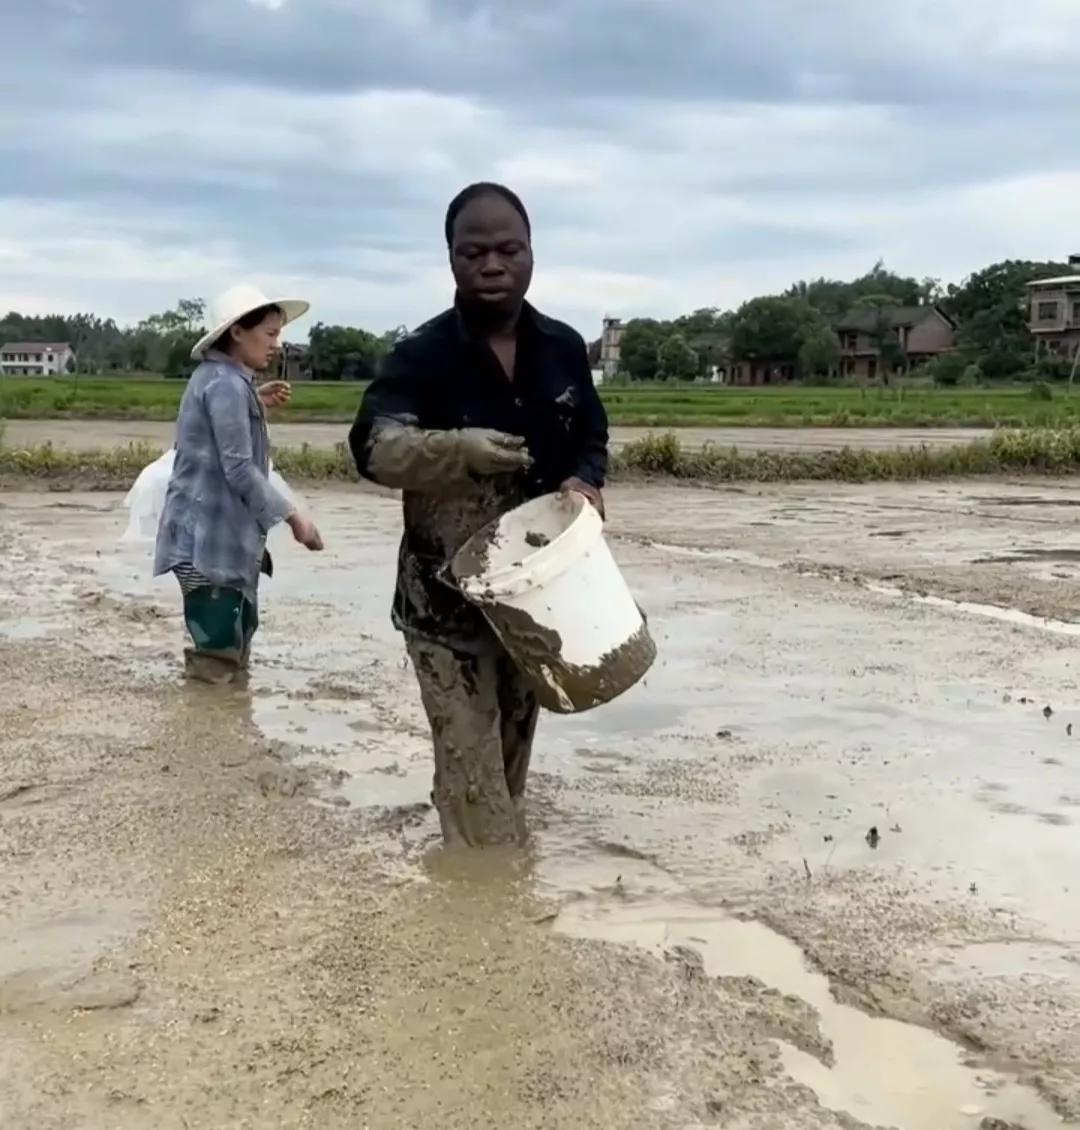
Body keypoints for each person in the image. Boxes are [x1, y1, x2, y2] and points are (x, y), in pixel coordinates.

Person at [349, 183, 609, 846]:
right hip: (443, 602)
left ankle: (496, 878)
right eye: (474, 253)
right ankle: (481, 895)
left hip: (534, 597)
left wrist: (585, 482)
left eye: (508, 249)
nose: (492, 264)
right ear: (452, 262)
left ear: (530, 256)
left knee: (510, 762)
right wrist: (454, 450)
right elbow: (373, 448)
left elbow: (590, 437)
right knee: (471, 765)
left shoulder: (562, 347)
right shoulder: (422, 355)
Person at [155, 283, 324, 684]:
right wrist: (293, 516)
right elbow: (239, 469)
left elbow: (215, 431)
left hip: (212, 538)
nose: (277, 344)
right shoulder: (226, 385)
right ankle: (209, 732)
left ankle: (222, 723)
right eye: (269, 333)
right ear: (236, 333)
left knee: (235, 633)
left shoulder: (225, 380)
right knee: (218, 652)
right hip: (207, 544)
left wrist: (255, 400)